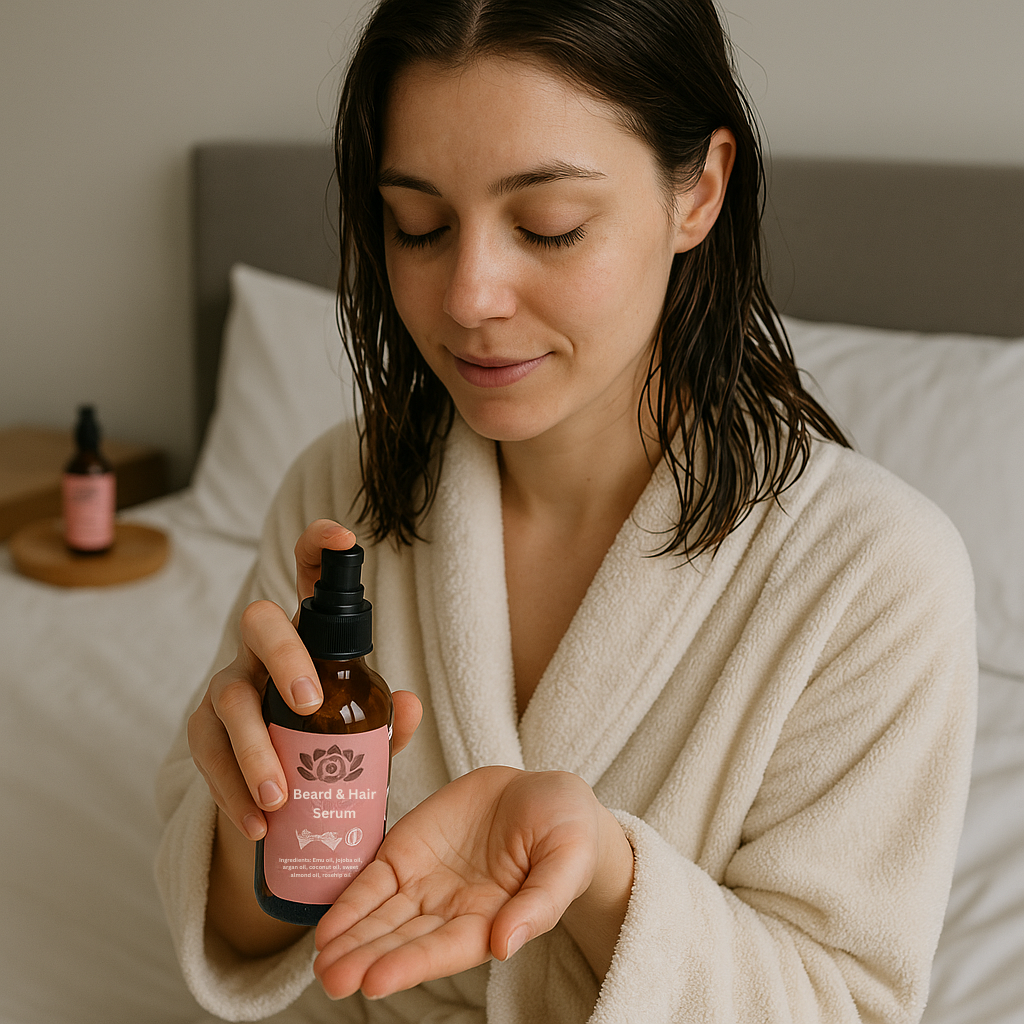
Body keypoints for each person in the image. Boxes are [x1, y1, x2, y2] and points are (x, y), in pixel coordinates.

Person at [156, 1, 977, 1021]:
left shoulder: (873, 575)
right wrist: (260, 801)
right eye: (419, 225)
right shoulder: (344, 495)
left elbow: (841, 1002)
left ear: (699, 190)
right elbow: (245, 937)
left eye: (549, 226)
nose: (468, 295)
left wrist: (599, 873)